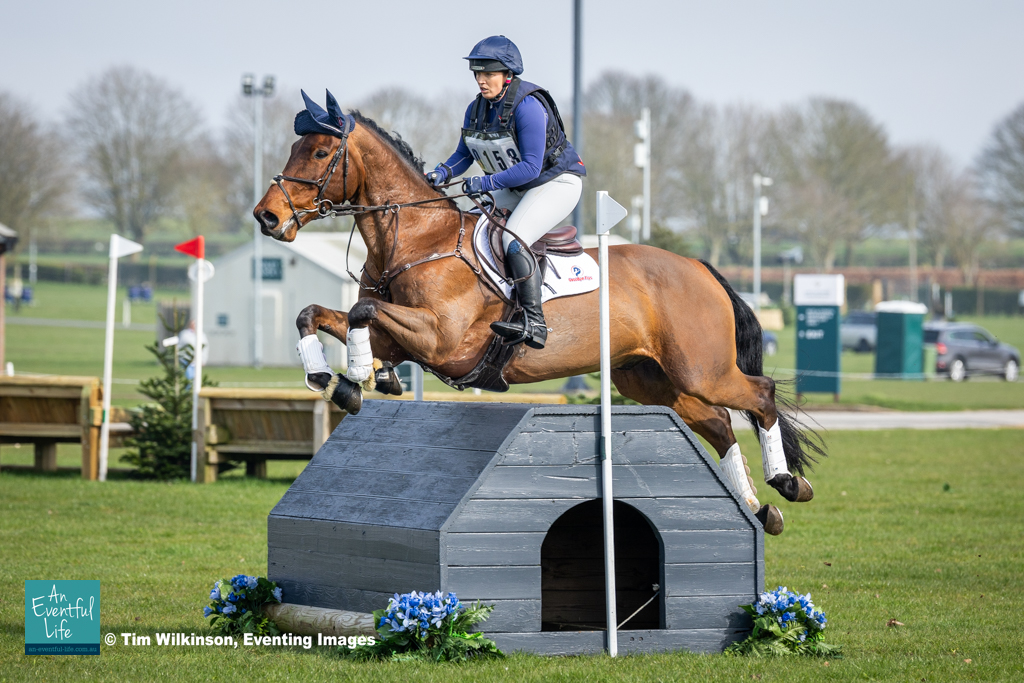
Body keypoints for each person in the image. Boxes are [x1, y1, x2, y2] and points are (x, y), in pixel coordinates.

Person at [425, 36, 586, 350]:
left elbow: (529, 167)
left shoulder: (528, 107)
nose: (481, 80)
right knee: (468, 226)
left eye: (489, 74)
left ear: (508, 75)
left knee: (513, 238)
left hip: (556, 183)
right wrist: (441, 172)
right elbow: (464, 154)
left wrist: (484, 184)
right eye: (478, 73)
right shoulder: (476, 108)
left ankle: (534, 322)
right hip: (518, 187)